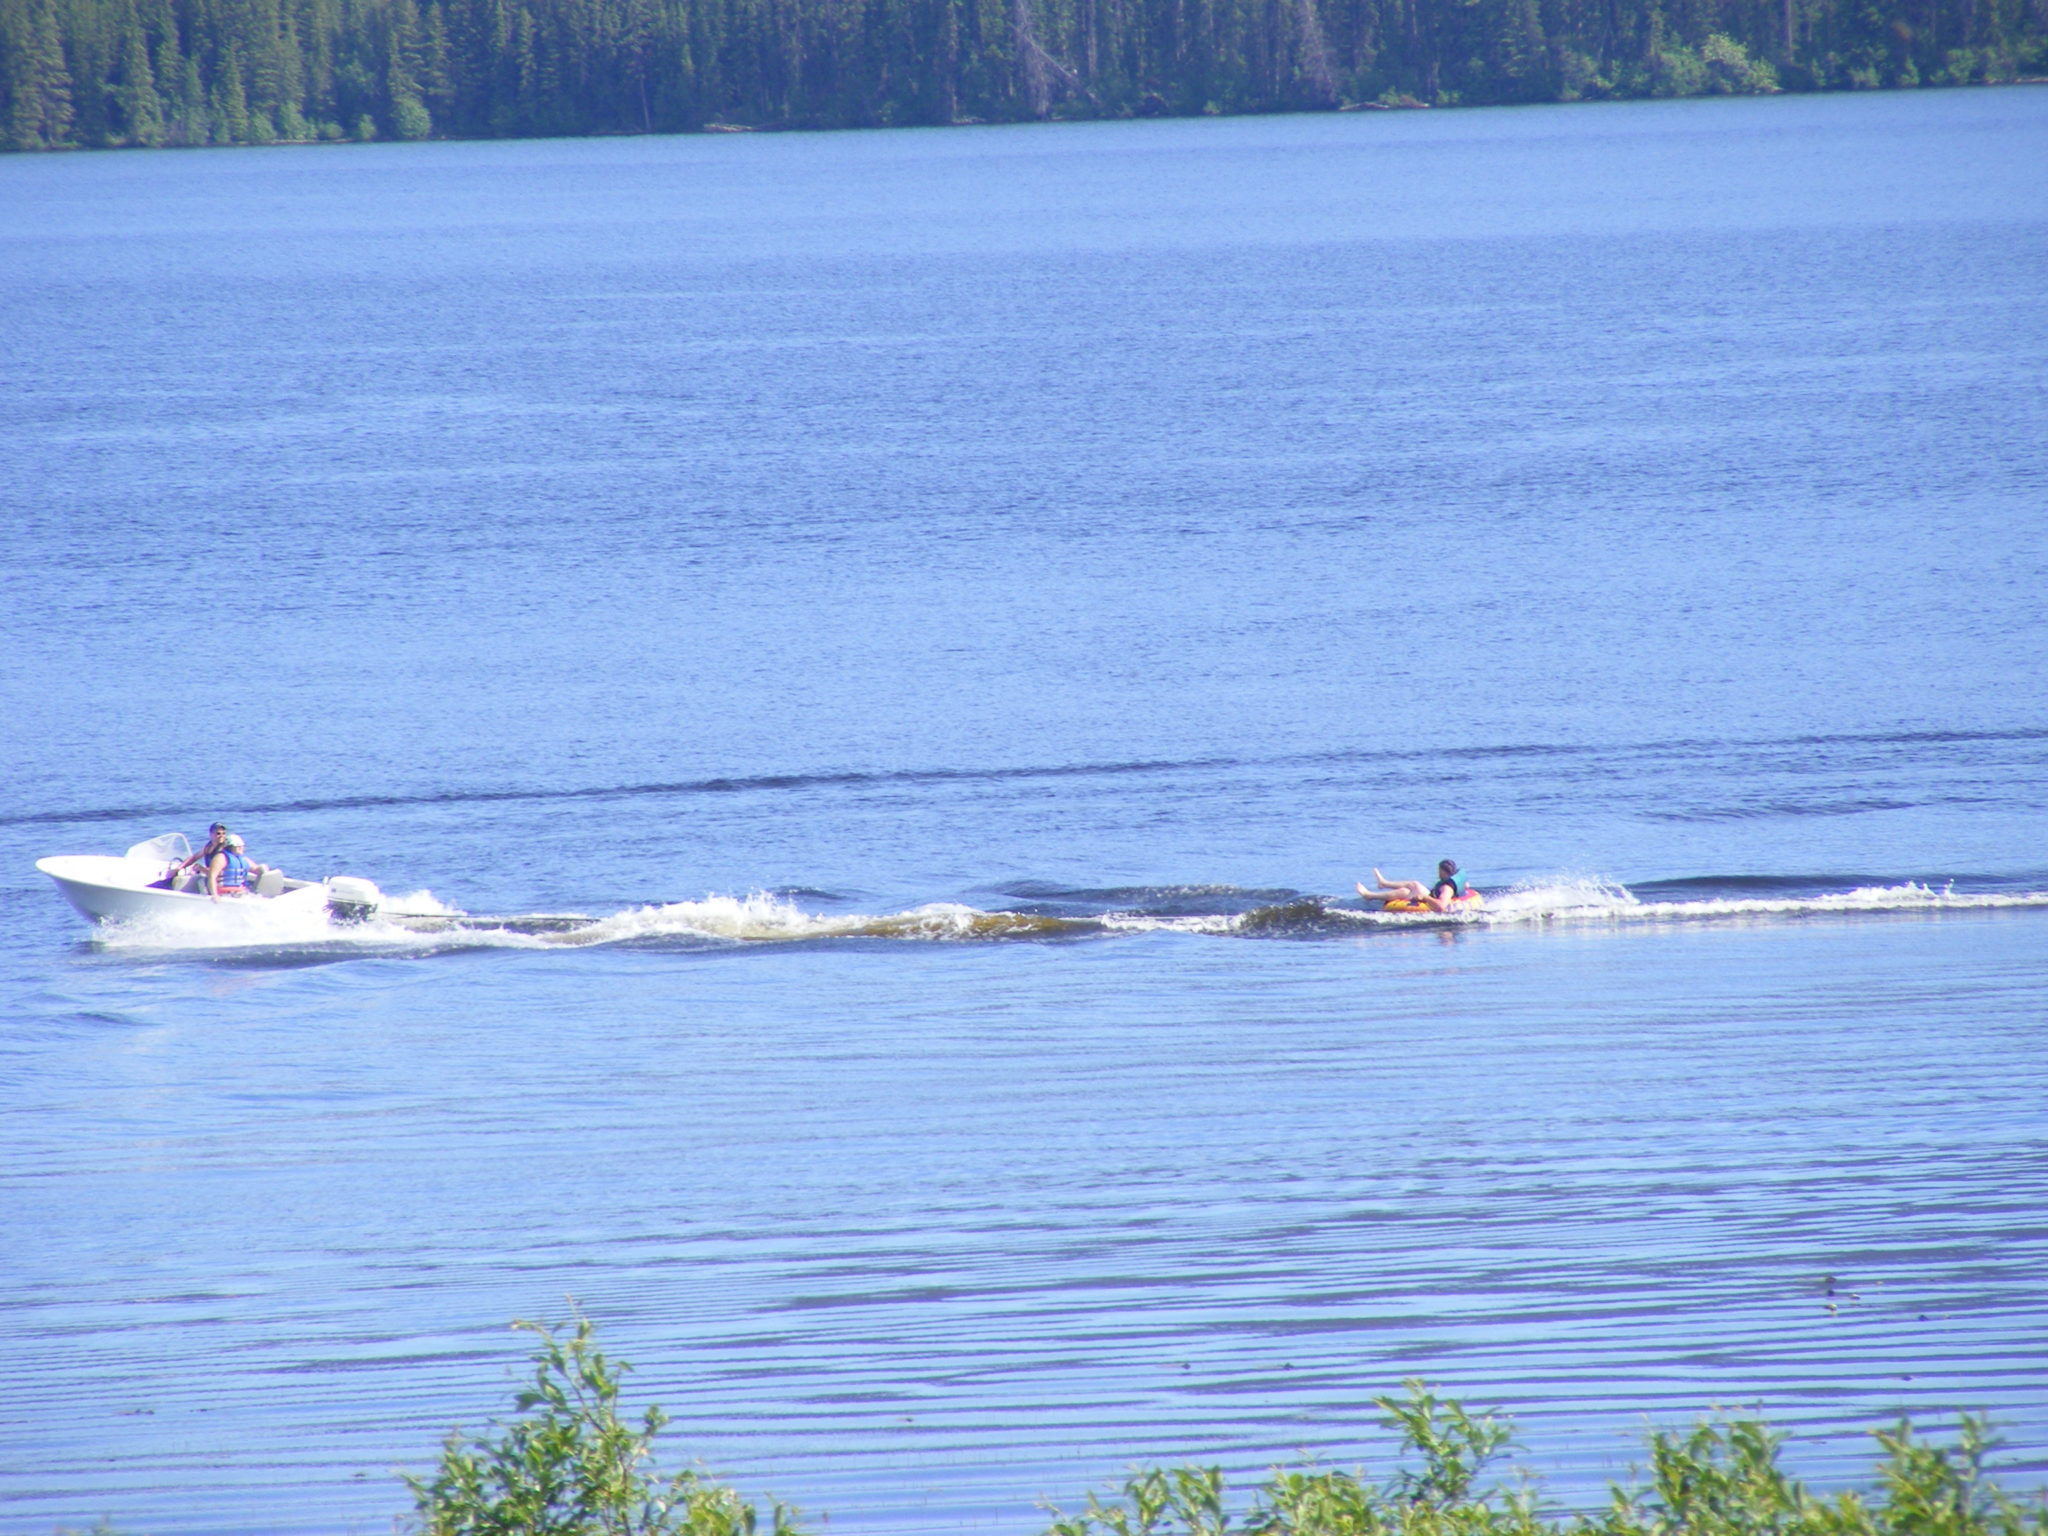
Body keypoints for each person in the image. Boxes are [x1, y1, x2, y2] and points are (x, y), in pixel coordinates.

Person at [1357, 860, 1476, 912]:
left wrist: (1424, 898)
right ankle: (1383, 883)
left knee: (1404, 892)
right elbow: (1466, 885)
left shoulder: (1446, 888)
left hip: (1430, 899)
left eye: (1439, 871)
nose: (1437, 873)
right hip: (1432, 894)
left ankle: (1370, 895)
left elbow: (1441, 907)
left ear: (1444, 872)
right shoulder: (1453, 879)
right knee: (1414, 884)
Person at [153, 822, 230, 890]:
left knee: (187, 881)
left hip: (220, 881)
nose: (221, 836)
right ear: (211, 834)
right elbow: (194, 857)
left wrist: (201, 869)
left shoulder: (223, 851)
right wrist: (178, 868)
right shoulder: (209, 847)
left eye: (223, 833)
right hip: (210, 877)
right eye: (218, 833)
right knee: (179, 878)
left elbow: (217, 872)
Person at [206, 833, 269, 900]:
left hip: (241, 892)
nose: (241, 848)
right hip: (225, 893)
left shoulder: (243, 859)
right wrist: (214, 895)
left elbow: (256, 869)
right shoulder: (221, 858)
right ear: (230, 847)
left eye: (242, 846)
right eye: (238, 846)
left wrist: (262, 868)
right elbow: (212, 877)